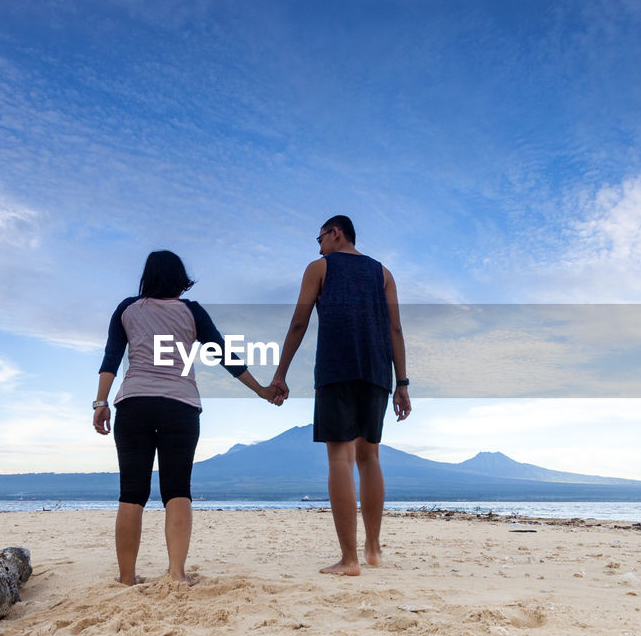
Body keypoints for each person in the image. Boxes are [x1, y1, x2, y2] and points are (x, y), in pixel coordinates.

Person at [93, 250, 278, 586]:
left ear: (147, 277)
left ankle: (126, 577)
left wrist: (100, 402)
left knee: (131, 492)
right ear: (180, 279)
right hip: (180, 406)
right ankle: (176, 574)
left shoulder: (127, 309)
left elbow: (111, 359)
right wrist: (261, 390)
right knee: (177, 489)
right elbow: (225, 355)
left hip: (134, 404)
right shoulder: (191, 312)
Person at [270, 216, 410, 576]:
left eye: (319, 238)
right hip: (378, 372)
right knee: (370, 456)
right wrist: (402, 382)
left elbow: (299, 321)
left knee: (340, 458)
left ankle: (349, 560)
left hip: (336, 369)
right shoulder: (384, 274)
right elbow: (395, 327)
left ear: (335, 233)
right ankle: (373, 550)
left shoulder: (320, 268)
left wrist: (281, 372)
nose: (317, 246)